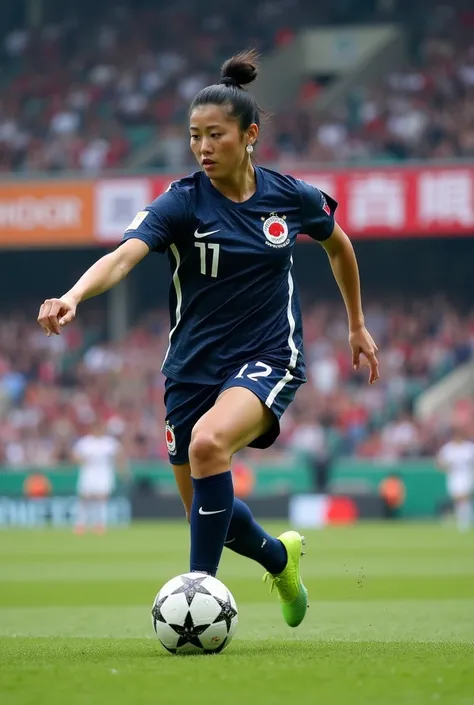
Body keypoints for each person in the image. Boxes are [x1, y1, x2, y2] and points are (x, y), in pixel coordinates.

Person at [37, 50, 379, 628]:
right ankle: (280, 557)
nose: (202, 147)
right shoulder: (180, 202)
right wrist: (73, 295)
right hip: (190, 368)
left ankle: (199, 598)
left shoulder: (288, 197)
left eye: (215, 135)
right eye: (195, 136)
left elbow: (338, 245)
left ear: (249, 135)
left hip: (269, 356)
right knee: (204, 508)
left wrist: (356, 323)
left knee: (206, 446)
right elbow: (123, 258)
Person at [72, 420, 127, 534]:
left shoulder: (109, 442)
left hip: (104, 473)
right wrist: (81, 461)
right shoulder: (86, 442)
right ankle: (80, 524)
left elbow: (120, 454)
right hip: (89, 472)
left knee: (102, 499)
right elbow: (75, 455)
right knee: (85, 498)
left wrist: (121, 469)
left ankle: (100, 524)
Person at [436, 426, 474, 532]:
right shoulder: (448, 448)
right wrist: (445, 467)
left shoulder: (469, 447)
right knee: (457, 498)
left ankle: (464, 522)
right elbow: (439, 462)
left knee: (463, 497)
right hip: (453, 476)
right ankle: (464, 517)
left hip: (467, 475)